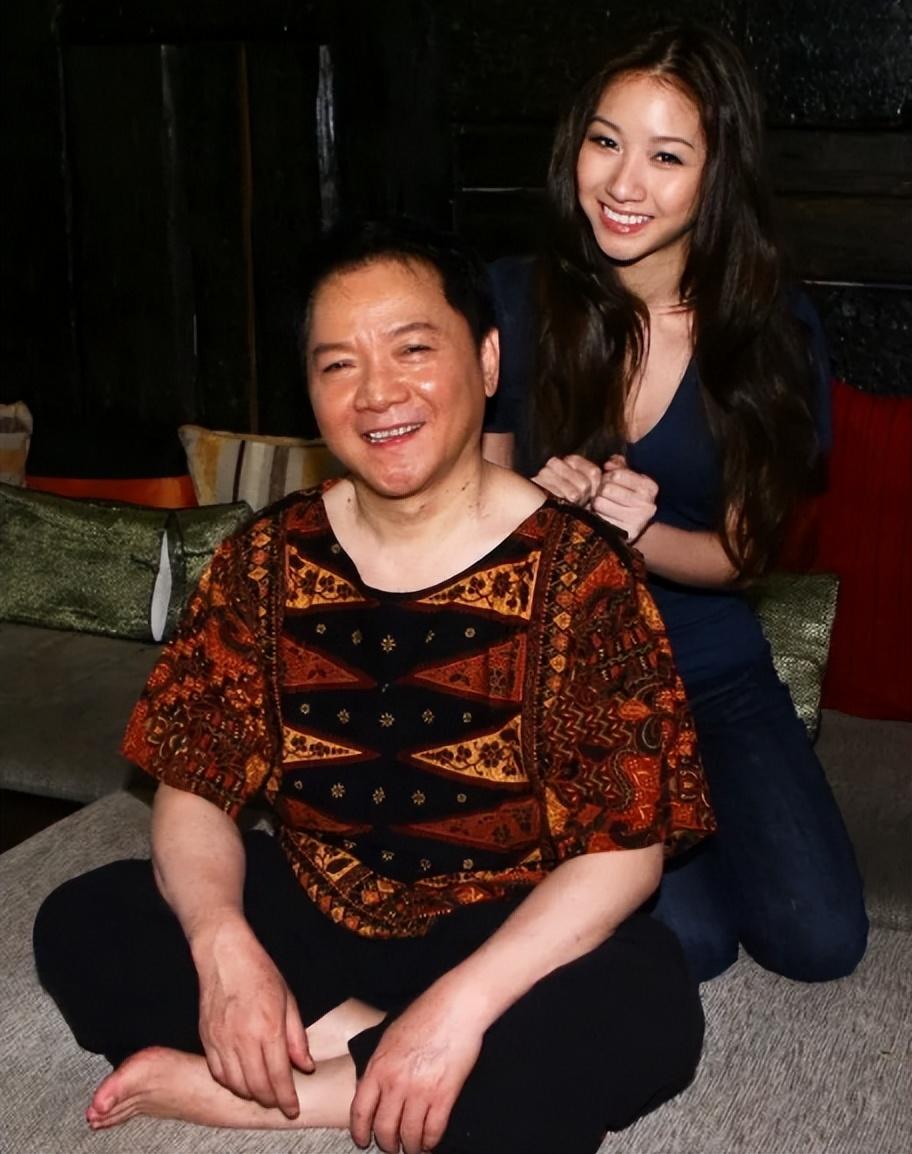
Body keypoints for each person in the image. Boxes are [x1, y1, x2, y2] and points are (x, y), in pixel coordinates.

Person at [33, 220, 715, 1154]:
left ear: (486, 360)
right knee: (86, 923)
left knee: (644, 1008)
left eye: (412, 350)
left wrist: (457, 1011)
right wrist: (224, 947)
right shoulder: (264, 557)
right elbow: (194, 779)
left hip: (506, 925)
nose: (378, 393)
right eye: (338, 365)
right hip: (317, 906)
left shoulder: (585, 573)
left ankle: (305, 1089)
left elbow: (627, 851)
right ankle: (376, 1066)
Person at [482, 21, 868, 984]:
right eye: (605, 141)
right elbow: (461, 507)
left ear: (716, 174)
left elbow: (744, 557)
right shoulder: (513, 300)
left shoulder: (772, 331)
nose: (624, 183)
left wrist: (637, 532)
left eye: (666, 156)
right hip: (564, 674)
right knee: (690, 945)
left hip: (712, 669)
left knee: (818, 941)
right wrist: (530, 508)